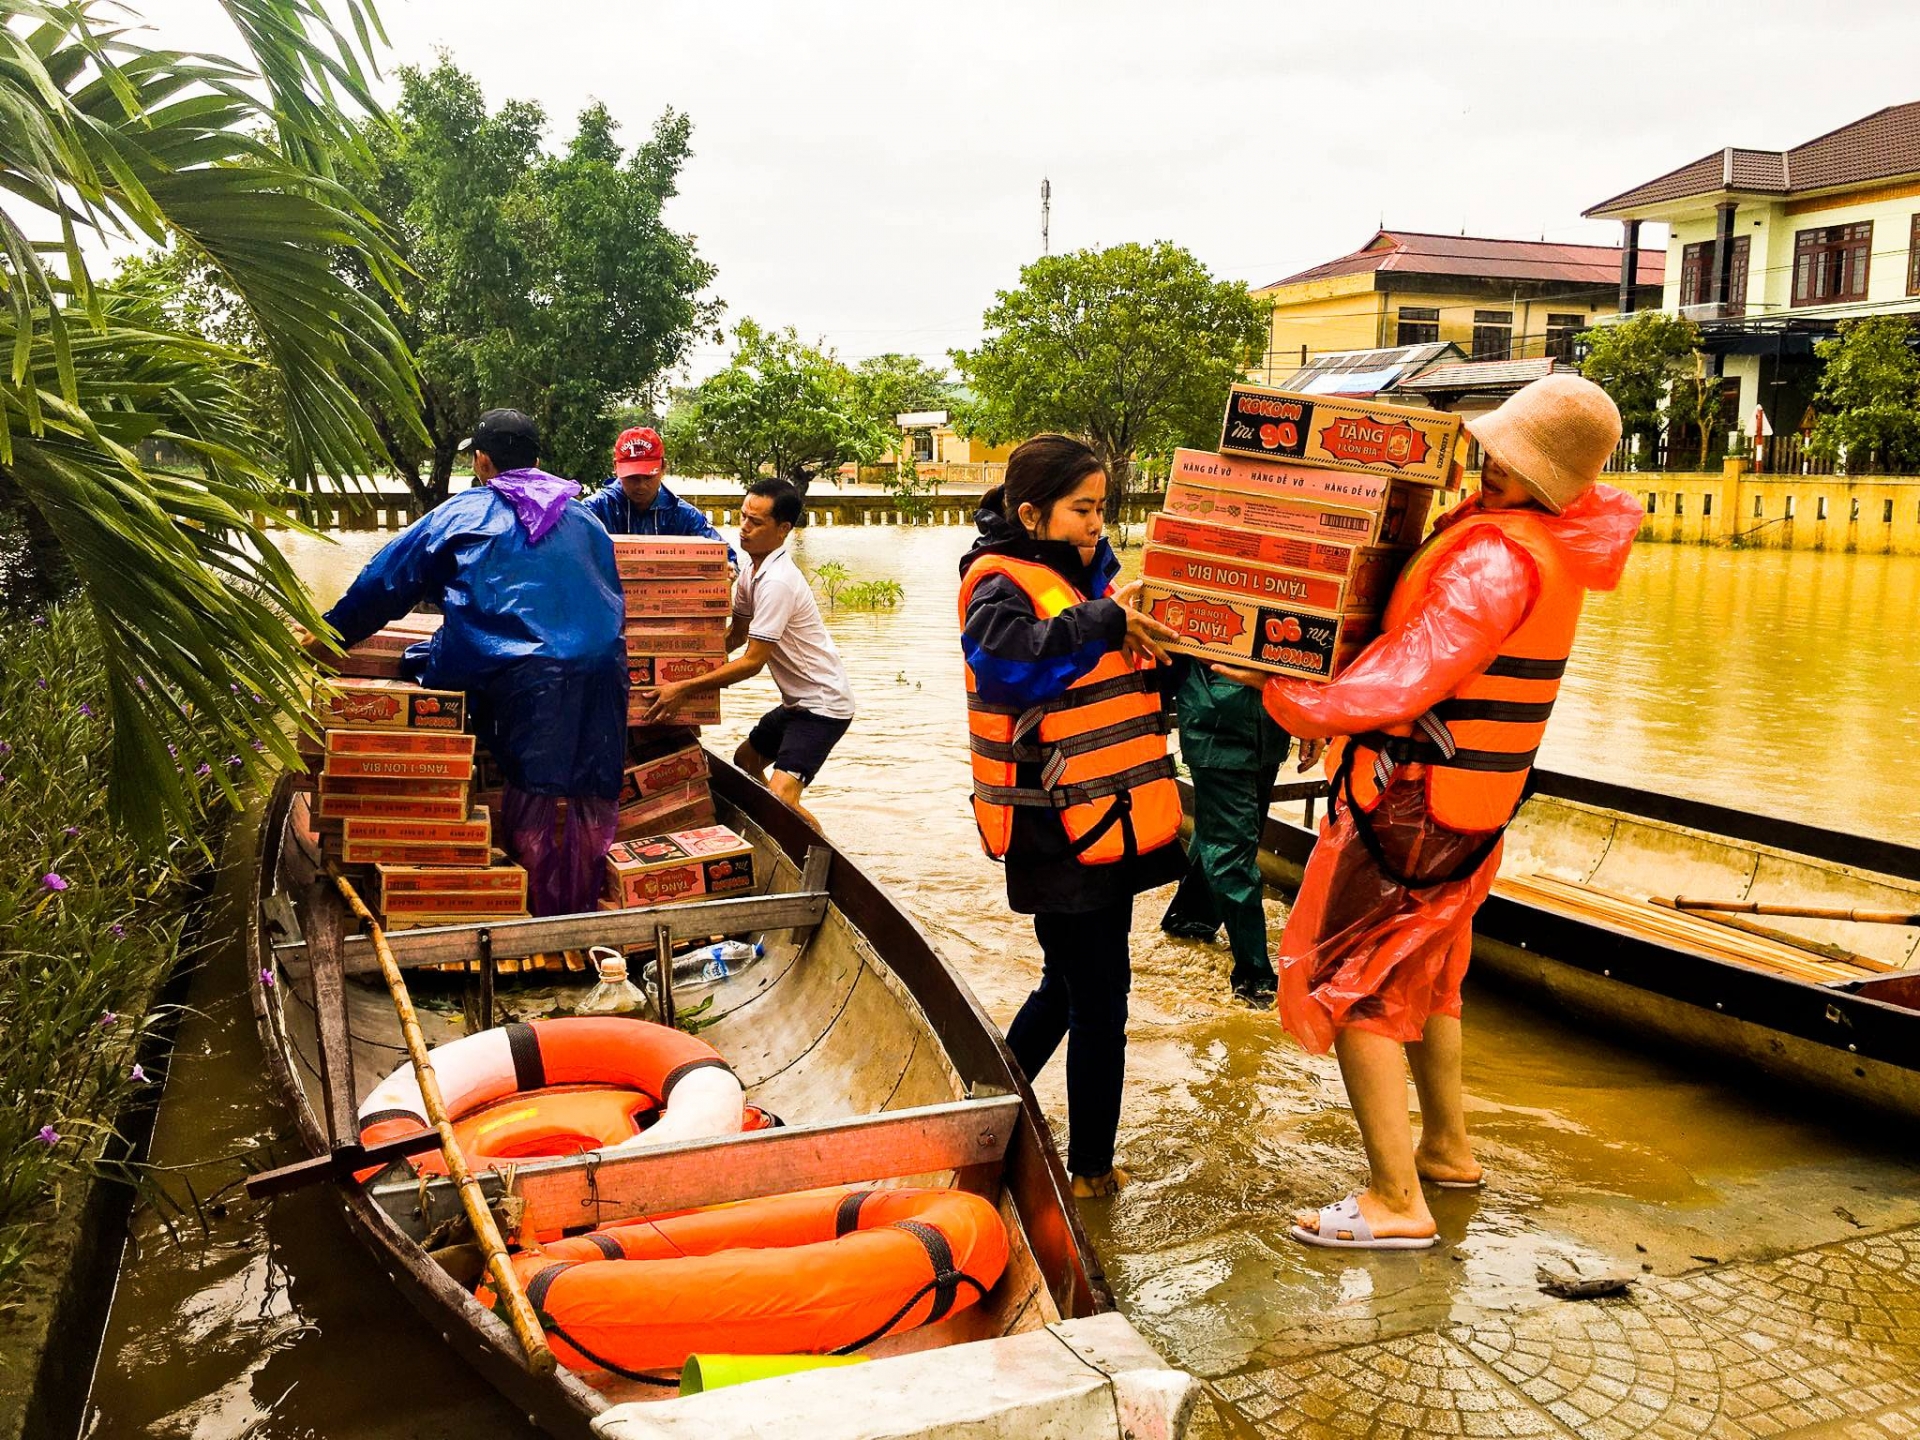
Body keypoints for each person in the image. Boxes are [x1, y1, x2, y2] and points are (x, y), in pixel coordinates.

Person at [1214, 373, 1641, 1249]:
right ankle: (1446, 1149)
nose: (1494, 466)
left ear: (1559, 478)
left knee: (1356, 981)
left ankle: (1394, 1198)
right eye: (1496, 449)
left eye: (1521, 462)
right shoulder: (1545, 547)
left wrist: (1285, 691)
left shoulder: (1493, 557)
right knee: (1432, 976)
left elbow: (1408, 677)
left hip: (1409, 806)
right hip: (1472, 809)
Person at [957, 434, 1186, 1198]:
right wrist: (1105, 623)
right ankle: (1091, 1174)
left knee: (1069, 984)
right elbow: (1009, 662)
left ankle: (986, 1103)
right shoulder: (1000, 585)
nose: (1097, 524)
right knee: (1100, 1002)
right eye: (1083, 510)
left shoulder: (1084, 577)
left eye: (1102, 509)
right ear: (1031, 513)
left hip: (1103, 815)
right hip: (1054, 825)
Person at [316, 409, 628, 917]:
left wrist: (330, 635)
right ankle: (583, 906)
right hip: (604, 669)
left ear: (482, 462)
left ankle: (534, 913)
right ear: (538, 462)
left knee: (529, 784)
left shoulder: (460, 513)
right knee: (593, 785)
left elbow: (385, 584)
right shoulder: (587, 518)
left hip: (517, 675)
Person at [639, 478, 854, 828]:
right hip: (798, 703)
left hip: (823, 707)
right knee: (746, 760)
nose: (744, 528)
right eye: (742, 517)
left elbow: (752, 662)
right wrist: (672, 665)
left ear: (783, 529)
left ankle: (820, 855)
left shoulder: (777, 582)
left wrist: (685, 688)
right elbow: (735, 636)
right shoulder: (751, 573)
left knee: (784, 796)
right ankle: (774, 826)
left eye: (756, 522)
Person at [1157, 659, 1292, 1005]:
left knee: (1229, 838)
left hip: (1268, 725)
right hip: (1216, 725)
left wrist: (1312, 719)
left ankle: (1189, 919)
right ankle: (1255, 982)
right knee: (1232, 852)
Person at [582, 425, 738, 567]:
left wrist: (728, 568)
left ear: (663, 467)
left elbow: (725, 554)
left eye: (648, 477)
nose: (641, 486)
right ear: (615, 467)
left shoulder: (684, 516)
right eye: (632, 478)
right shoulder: (593, 511)